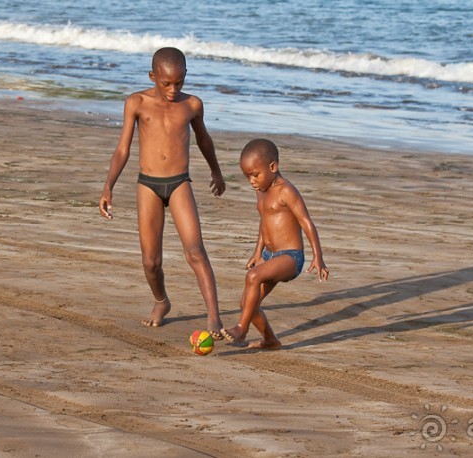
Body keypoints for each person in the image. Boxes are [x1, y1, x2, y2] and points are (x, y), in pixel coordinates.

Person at [99, 47, 226, 338]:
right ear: (152, 76)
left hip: (180, 182)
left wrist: (216, 172)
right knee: (150, 261)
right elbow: (122, 149)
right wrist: (108, 187)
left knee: (196, 252)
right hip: (148, 185)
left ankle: (214, 317)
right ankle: (161, 301)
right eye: (166, 83)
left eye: (179, 82)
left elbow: (204, 141)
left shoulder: (192, 105)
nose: (173, 89)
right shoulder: (137, 103)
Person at [221, 139, 329, 349]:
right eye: (247, 176)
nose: (252, 181)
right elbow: (265, 222)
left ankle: (241, 330)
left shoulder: (286, 191)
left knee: (253, 277)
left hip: (290, 257)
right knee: (247, 304)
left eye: (255, 174)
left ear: (273, 167)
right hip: (270, 256)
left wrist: (318, 257)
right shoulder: (261, 190)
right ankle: (271, 340)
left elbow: (306, 222)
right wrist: (257, 252)